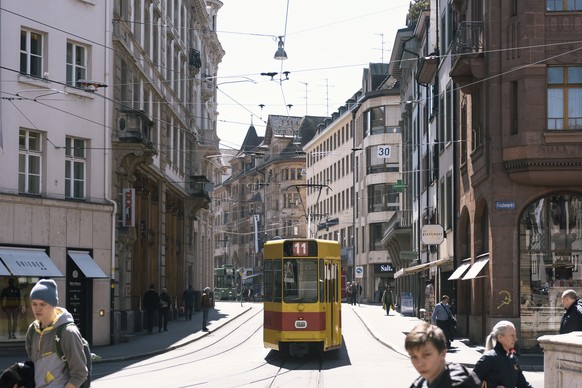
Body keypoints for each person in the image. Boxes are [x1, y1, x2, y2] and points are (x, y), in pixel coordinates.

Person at [25, 279, 88, 388]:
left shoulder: (68, 332)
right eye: (34, 304)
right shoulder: (32, 330)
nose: (37, 309)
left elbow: (80, 373)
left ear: (53, 304)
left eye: (42, 304)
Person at [405, 322, 481, 388]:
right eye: (413, 356)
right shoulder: (419, 383)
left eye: (426, 355)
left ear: (442, 354)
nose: (420, 363)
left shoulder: (459, 383)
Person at [473, 320, 533, 388]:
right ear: (500, 337)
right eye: (512, 336)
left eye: (515, 336)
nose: (515, 339)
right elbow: (472, 381)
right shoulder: (489, 358)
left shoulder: (513, 359)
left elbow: (523, 385)